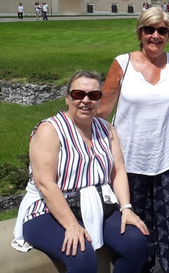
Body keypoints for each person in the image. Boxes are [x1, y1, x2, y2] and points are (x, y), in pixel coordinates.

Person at [12, 71, 149, 272]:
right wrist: (71, 224)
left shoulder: (106, 129)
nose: (86, 100)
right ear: (67, 97)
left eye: (93, 95)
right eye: (78, 94)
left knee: (136, 243)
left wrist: (126, 207)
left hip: (96, 205)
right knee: (81, 257)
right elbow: (45, 183)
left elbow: (117, 171)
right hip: (48, 209)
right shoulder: (50, 130)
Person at [99, 8, 169, 273]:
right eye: (149, 30)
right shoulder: (123, 64)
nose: (155, 36)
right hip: (130, 160)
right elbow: (102, 112)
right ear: (140, 33)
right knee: (137, 224)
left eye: (162, 30)